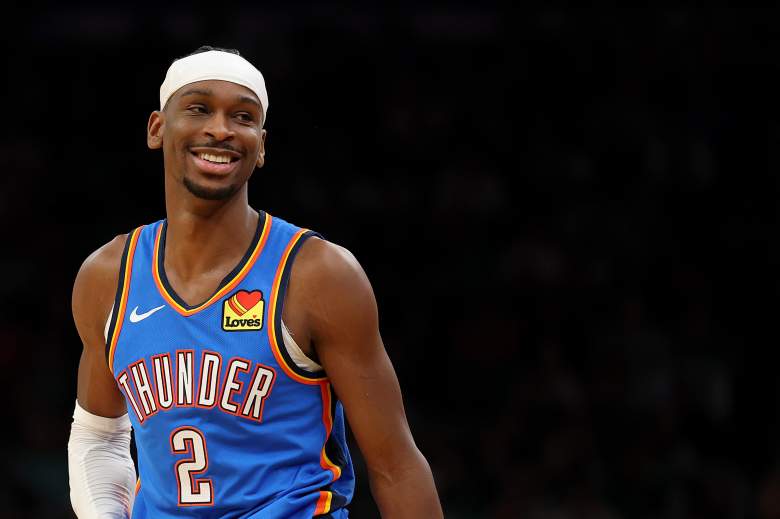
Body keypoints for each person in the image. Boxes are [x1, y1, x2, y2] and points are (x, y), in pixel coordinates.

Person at [67, 46, 443, 518]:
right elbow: (99, 438)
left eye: (242, 117)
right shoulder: (108, 276)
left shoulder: (318, 274)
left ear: (261, 145)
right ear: (157, 128)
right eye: (199, 108)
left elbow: (396, 466)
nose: (221, 129)